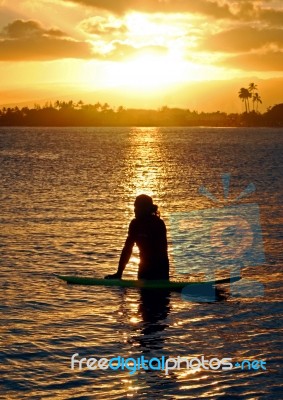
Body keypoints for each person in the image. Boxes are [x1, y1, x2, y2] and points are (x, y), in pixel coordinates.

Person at [105, 194, 169, 280]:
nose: (134, 210)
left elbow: (161, 251)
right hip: (143, 268)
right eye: (134, 207)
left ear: (145, 209)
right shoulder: (134, 224)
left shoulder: (158, 224)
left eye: (137, 207)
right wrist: (119, 273)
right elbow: (127, 249)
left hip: (159, 269)